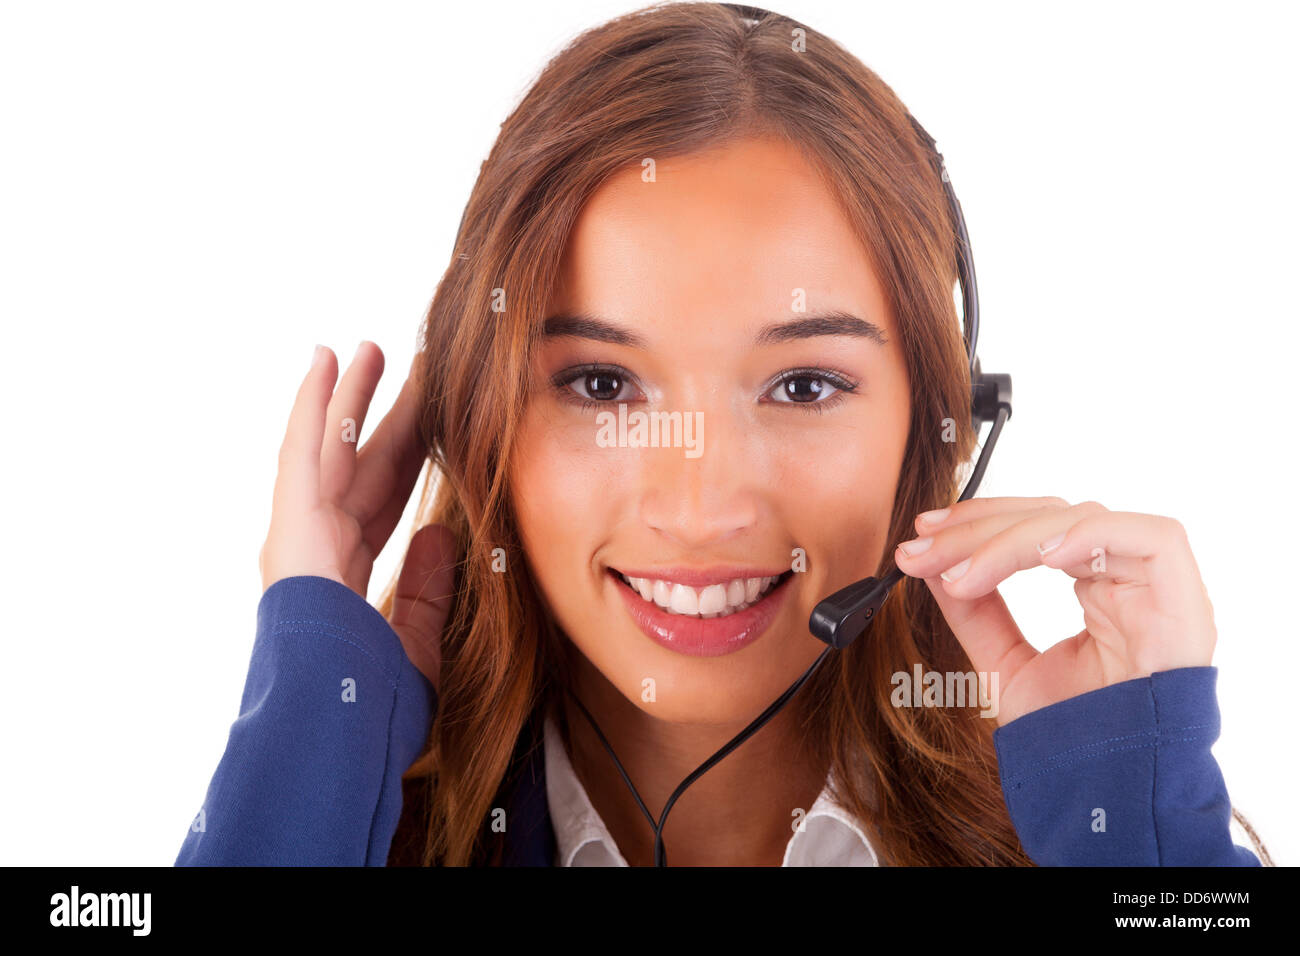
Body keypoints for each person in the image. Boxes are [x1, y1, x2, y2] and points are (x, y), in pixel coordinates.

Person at [175, 2, 1267, 867]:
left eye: (801, 385)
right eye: (600, 382)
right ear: (472, 415)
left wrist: (1132, 824)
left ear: (937, 431)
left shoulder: (1093, 830)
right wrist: (313, 735)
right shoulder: (338, 814)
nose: (699, 508)